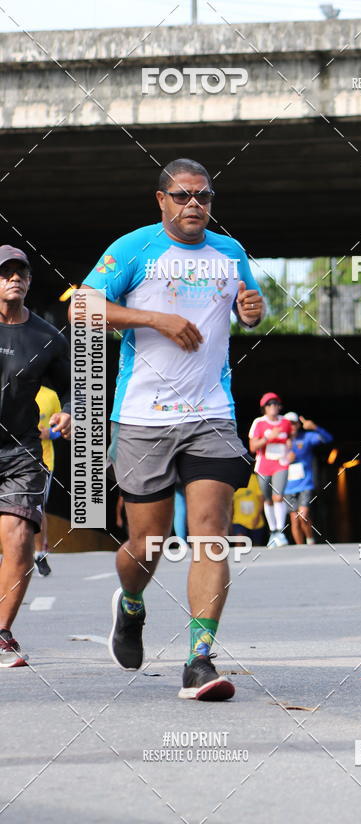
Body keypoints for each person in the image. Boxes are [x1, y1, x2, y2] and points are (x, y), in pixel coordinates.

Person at [73, 157, 264, 701]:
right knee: (147, 544)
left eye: (202, 196)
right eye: (182, 196)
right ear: (161, 200)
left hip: (212, 413)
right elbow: (80, 308)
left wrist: (252, 308)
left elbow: (248, 309)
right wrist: (154, 319)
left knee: (210, 533)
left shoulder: (230, 254)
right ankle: (131, 606)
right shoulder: (134, 248)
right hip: (142, 417)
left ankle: (199, 659)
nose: (193, 206)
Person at [0, 246, 71, 667]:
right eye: (6, 272)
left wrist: (69, 411)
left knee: (19, 537)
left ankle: (2, 632)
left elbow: (76, 388)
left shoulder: (46, 337)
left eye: (21, 272)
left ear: (29, 281)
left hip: (20, 450)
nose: (14, 279)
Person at [249, 393, 293, 548]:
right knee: (267, 499)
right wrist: (268, 438)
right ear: (264, 408)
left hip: (281, 463)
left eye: (275, 404)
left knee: (278, 497)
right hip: (263, 465)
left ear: (279, 406)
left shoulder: (286, 422)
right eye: (269, 404)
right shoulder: (259, 423)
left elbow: (290, 437)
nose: (273, 406)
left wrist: (289, 446)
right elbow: (253, 447)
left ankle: (280, 531)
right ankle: (273, 531)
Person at [283, 413, 333, 544]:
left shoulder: (306, 437)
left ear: (298, 425)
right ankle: (300, 549)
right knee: (294, 520)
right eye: (288, 423)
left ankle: (310, 540)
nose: (291, 426)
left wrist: (315, 427)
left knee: (303, 516)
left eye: (294, 423)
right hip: (288, 487)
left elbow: (328, 439)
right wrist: (285, 460)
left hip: (305, 484)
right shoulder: (280, 440)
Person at [34, 385, 62, 576]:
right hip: (8, 458)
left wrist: (50, 434)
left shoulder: (50, 395)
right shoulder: (9, 388)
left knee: (37, 508)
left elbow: (62, 428)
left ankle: (39, 554)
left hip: (43, 462)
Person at [231, 473, 266, 546]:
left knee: (256, 547)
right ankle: (239, 557)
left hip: (255, 521)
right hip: (238, 520)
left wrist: (257, 516)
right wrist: (229, 522)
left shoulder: (255, 478)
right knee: (239, 542)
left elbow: (262, 499)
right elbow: (230, 504)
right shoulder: (232, 479)